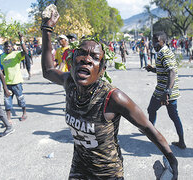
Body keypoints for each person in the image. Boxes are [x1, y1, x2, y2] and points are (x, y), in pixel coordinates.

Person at [41, 11, 178, 179]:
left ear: (102, 70)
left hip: (107, 173)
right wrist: (47, 29)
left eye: (95, 57)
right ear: (72, 61)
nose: (87, 59)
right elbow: (48, 70)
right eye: (82, 54)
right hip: (79, 166)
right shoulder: (70, 82)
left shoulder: (112, 97)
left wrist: (172, 160)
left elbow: (147, 127)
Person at [146, 31, 186, 150]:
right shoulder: (164, 52)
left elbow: (172, 72)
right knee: (173, 116)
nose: (154, 44)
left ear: (164, 41)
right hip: (167, 91)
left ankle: (151, 132)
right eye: (153, 41)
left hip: (164, 91)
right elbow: (164, 70)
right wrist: (152, 69)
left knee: (151, 109)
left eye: (157, 41)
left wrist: (167, 92)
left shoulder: (164, 53)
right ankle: (182, 142)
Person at [1, 32, 27, 123]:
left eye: (9, 47)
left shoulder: (17, 54)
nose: (7, 48)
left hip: (17, 82)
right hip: (7, 83)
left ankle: (24, 113)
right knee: (7, 101)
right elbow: (4, 69)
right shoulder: (2, 56)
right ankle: (8, 118)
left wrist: (21, 40)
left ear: (12, 47)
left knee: (20, 99)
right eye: (5, 47)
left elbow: (25, 52)